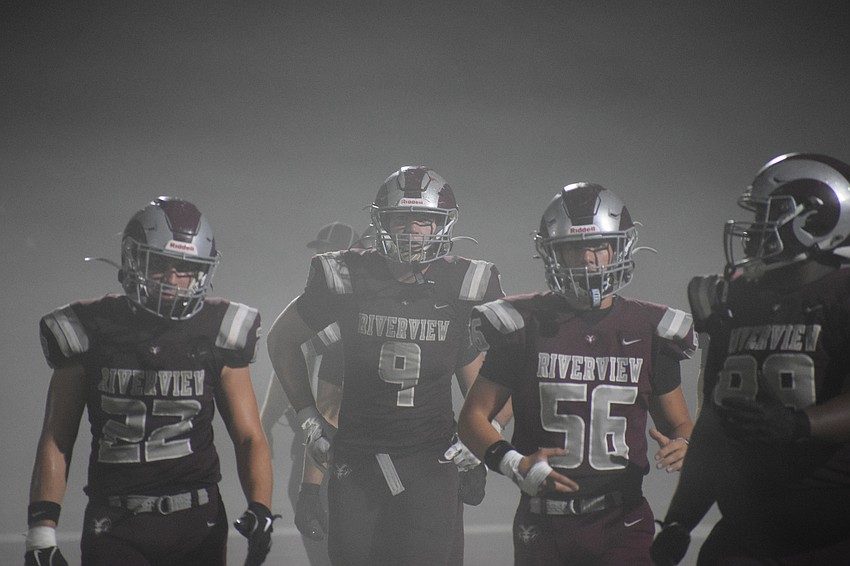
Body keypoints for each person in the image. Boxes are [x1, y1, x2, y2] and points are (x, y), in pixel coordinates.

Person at [267, 166, 507, 566]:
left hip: (432, 461)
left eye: (423, 220)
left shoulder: (465, 285)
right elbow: (282, 340)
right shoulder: (346, 275)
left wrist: (486, 435)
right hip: (356, 460)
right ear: (381, 222)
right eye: (400, 219)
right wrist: (309, 420)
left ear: (441, 226)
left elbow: (508, 364)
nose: (411, 230)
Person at [26, 197, 276, 566]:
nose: (174, 280)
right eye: (160, 264)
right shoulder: (87, 328)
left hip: (197, 519)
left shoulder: (219, 329)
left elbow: (249, 435)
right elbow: (58, 437)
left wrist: (261, 508)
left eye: (186, 267)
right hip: (116, 522)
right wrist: (41, 531)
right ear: (132, 259)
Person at [458, 182, 696, 566]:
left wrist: (686, 443)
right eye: (573, 247)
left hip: (623, 519)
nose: (589, 259)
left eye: (600, 246)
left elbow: (680, 423)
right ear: (551, 253)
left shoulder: (650, 328)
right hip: (542, 520)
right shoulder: (521, 324)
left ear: (620, 248)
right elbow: (472, 419)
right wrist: (515, 464)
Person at [651, 153, 850, 566]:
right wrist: (680, 520)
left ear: (817, 219)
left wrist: (799, 425)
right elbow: (718, 423)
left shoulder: (842, 294)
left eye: (768, 214)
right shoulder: (742, 298)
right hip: (746, 535)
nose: (754, 229)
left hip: (831, 537)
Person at [259, 220, 359, 566]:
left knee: (328, 522)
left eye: (327, 251)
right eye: (319, 250)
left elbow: (294, 361)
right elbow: (287, 364)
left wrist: (266, 423)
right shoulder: (326, 301)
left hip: (338, 434)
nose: (321, 257)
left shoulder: (342, 306)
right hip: (324, 431)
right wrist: (266, 423)